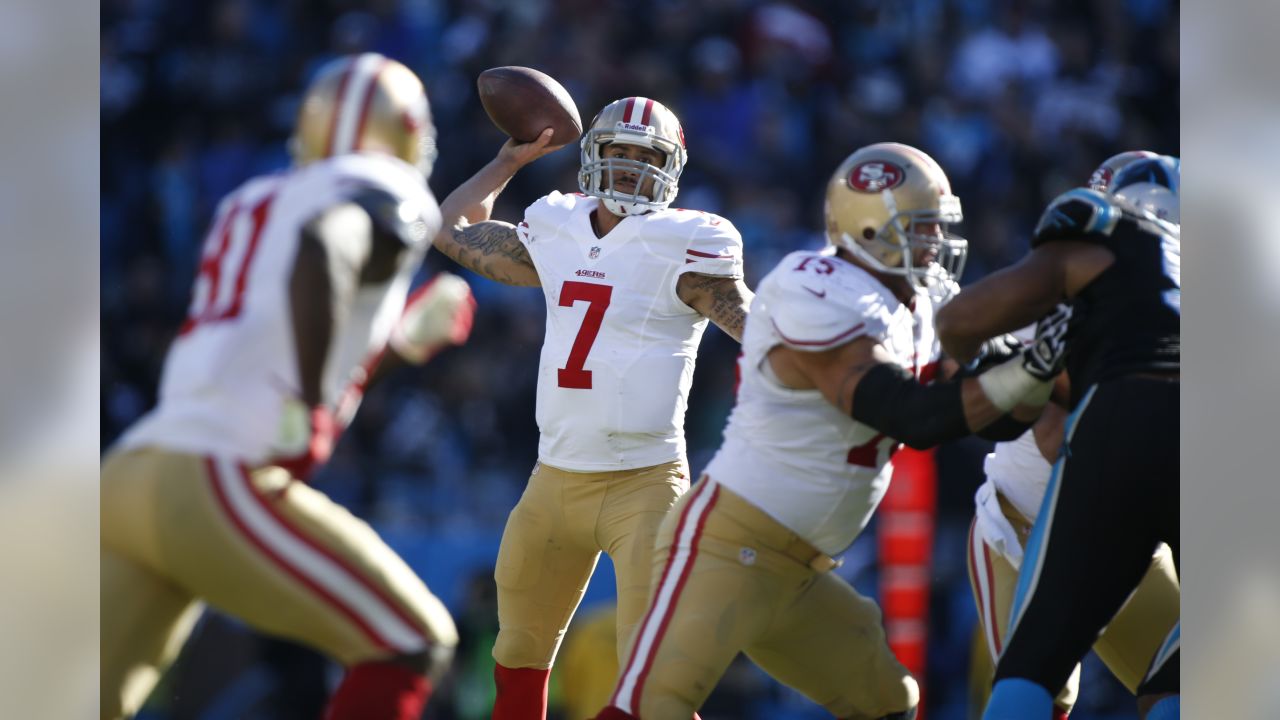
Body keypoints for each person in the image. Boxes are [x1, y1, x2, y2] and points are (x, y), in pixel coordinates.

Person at [592, 142, 1068, 720]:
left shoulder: (918, 306)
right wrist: (1026, 370)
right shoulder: (813, 284)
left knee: (891, 704)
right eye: (921, 230)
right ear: (868, 229)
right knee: (648, 709)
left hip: (801, 570)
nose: (936, 246)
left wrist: (1033, 370)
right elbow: (907, 415)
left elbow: (993, 416)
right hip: (726, 543)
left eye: (938, 230)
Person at [101, 53, 475, 720]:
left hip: (133, 474)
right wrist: (305, 404)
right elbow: (324, 244)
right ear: (405, 130)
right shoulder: (376, 186)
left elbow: (283, 326)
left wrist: (398, 346)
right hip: (213, 477)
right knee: (410, 642)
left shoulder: (259, 195)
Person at [430, 96, 754, 720]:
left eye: (646, 156)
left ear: (672, 167)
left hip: (647, 484)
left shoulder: (687, 241)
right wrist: (506, 161)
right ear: (592, 155)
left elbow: (750, 321)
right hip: (554, 479)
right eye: (620, 152)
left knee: (656, 687)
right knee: (517, 664)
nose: (631, 166)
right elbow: (450, 230)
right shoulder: (558, 226)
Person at [936, 155, 1181, 720]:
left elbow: (960, 332)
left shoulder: (1081, 262)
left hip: (1109, 513)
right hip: (1022, 527)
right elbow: (1050, 437)